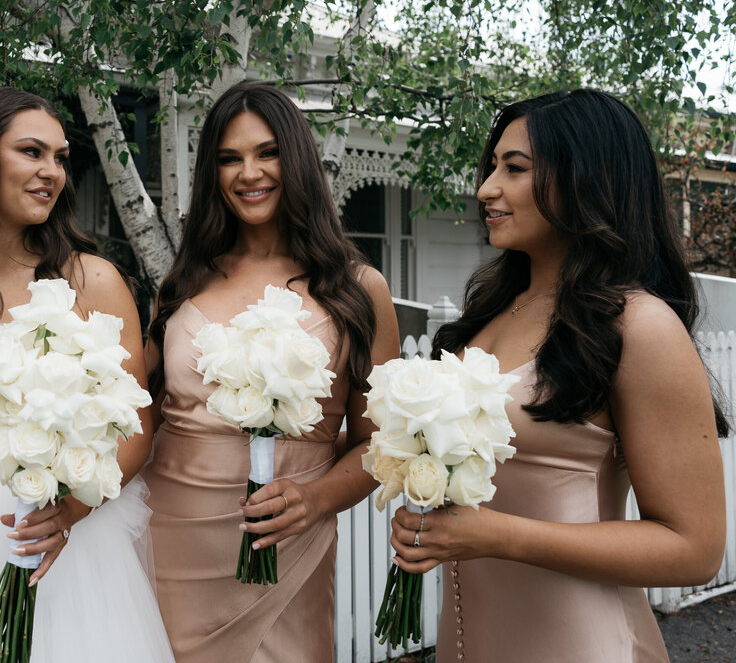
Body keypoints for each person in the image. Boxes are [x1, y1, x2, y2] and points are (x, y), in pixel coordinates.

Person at [389, 89, 730, 661]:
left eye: (514, 169)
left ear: (585, 180)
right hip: (470, 640)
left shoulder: (637, 325)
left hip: (581, 642)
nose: (485, 189)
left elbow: (693, 549)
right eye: (491, 167)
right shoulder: (492, 313)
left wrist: (498, 536)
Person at [0, 87, 174, 661]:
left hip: (62, 537)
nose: (51, 172)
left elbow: (138, 430)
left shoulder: (93, 280)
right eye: (32, 152)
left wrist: (66, 512)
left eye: (61, 158)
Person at [142, 82, 400, 661]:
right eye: (229, 158)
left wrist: (318, 499)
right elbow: (143, 419)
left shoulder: (357, 291)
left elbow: (380, 444)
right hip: (170, 540)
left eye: (267, 152)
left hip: (288, 546)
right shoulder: (181, 286)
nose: (248, 173)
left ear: (298, 160)